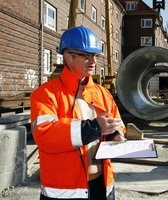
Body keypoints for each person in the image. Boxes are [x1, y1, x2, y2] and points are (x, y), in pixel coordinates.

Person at [31, 26, 126, 200]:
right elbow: (45, 134)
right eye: (86, 55)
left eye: (95, 56)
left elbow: (117, 122)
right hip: (64, 191)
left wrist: (117, 135)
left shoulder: (102, 93)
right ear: (68, 56)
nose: (93, 61)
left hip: (102, 184)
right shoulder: (45, 94)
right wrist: (94, 127)